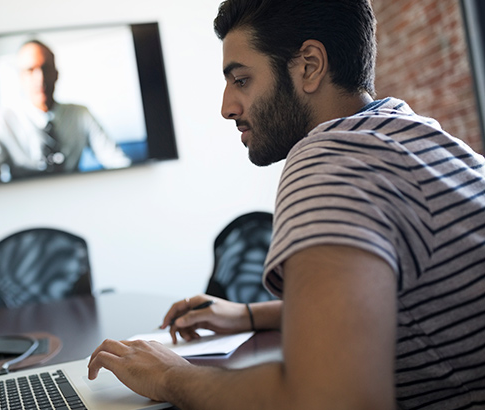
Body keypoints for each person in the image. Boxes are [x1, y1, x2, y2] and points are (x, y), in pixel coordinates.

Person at [87, 0, 485, 409]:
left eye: (241, 80)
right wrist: (249, 315)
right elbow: (385, 300)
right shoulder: (406, 134)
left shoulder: (330, 162)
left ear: (309, 66)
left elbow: (330, 402)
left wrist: (171, 376)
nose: (227, 107)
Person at [0, 40, 131, 187]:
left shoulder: (80, 114)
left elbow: (118, 162)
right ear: (21, 77)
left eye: (46, 68)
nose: (40, 78)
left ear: (56, 74)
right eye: (30, 70)